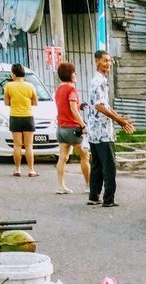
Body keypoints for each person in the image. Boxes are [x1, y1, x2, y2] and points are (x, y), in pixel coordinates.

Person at [86, 50, 135, 207]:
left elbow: (105, 105)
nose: (108, 64)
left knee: (97, 165)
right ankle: (108, 199)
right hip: (101, 132)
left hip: (96, 131)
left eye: (109, 61)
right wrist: (117, 120)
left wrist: (119, 117)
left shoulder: (101, 80)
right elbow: (99, 105)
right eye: (105, 61)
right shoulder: (98, 81)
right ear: (97, 62)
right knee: (108, 167)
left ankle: (93, 196)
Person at [54, 61, 88, 195]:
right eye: (74, 72)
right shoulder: (71, 89)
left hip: (61, 128)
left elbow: (66, 106)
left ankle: (60, 186)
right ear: (70, 74)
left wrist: (80, 106)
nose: (75, 75)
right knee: (84, 155)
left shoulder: (58, 90)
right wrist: (83, 125)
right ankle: (88, 185)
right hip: (73, 129)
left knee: (62, 157)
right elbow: (73, 109)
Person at [4, 63, 39, 178]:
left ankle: (18, 169)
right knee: (29, 146)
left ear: (13, 74)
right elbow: (35, 102)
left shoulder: (8, 86)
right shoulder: (30, 86)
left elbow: (6, 103)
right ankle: (31, 170)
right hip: (28, 116)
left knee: (17, 145)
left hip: (15, 116)